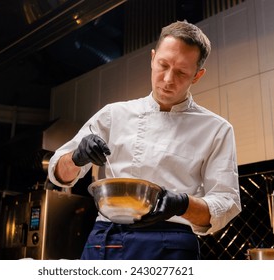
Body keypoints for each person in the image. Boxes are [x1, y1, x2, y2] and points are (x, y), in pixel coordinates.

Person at [48, 20, 241, 260]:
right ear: (152, 58)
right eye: (163, 65)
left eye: (181, 72)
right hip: (106, 237)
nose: (168, 79)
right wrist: (76, 158)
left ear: (197, 76)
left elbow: (227, 201)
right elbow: (59, 174)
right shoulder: (113, 114)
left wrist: (181, 204)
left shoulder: (217, 129)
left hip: (171, 241)